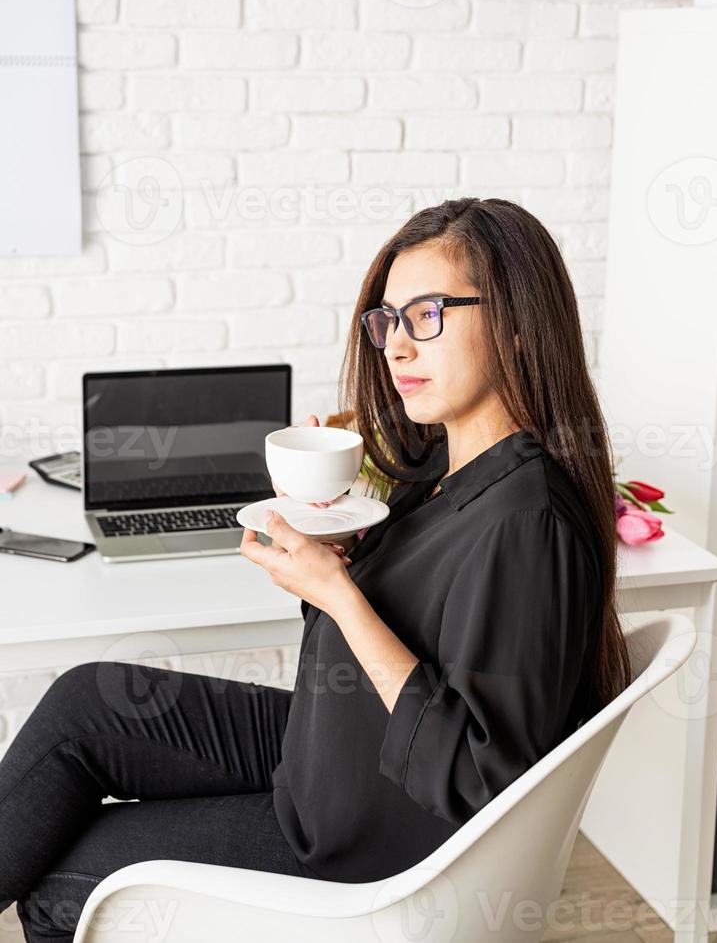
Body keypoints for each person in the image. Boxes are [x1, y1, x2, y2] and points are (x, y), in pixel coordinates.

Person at [0, 197, 631, 941]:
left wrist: (341, 598)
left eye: (427, 314)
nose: (395, 347)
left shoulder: (525, 522)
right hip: (336, 751)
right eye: (387, 320)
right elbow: (417, 629)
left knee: (58, 885)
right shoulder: (442, 472)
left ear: (519, 323)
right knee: (85, 703)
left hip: (358, 841)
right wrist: (342, 566)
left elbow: (477, 778)